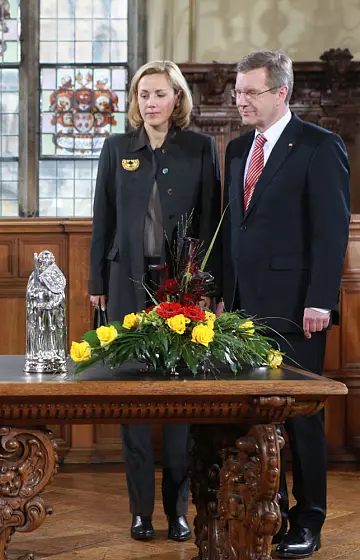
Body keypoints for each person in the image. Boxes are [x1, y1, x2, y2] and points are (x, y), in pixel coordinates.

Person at [218, 50, 350, 559]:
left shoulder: (319, 146)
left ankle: (308, 518)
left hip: (298, 309)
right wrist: (223, 301)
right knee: (254, 416)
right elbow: (235, 230)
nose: (241, 100)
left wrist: (320, 299)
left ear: (281, 93)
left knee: (300, 419)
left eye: (250, 92)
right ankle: (265, 510)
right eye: (237, 91)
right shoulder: (235, 150)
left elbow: (330, 230)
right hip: (242, 310)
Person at [88, 60, 221, 542]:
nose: (150, 102)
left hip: (181, 290)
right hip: (126, 287)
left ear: (177, 99)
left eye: (160, 94)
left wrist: (211, 290)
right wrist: (95, 282)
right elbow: (102, 220)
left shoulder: (201, 148)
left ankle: (179, 511)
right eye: (143, 94)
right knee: (134, 403)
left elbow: (210, 225)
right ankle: (141, 511)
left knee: (181, 401)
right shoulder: (116, 147)